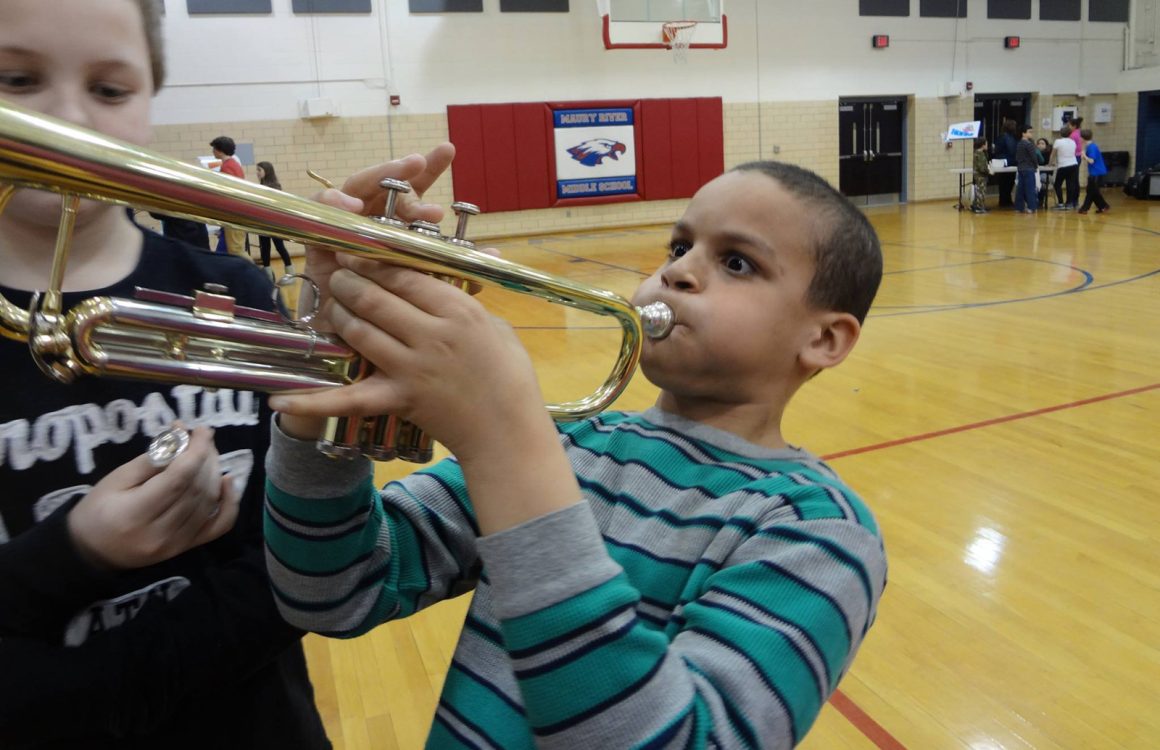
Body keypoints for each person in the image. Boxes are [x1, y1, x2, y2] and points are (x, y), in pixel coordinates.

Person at [263, 159, 888, 748]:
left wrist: (505, 442)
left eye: (737, 263)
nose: (677, 272)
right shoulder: (571, 446)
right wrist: (329, 379)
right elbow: (334, 589)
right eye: (678, 247)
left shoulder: (821, 531)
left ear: (825, 339)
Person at [0, 0, 333, 746]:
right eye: (16, 79)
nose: (65, 119)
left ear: (151, 102)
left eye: (110, 90)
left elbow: (297, 568)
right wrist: (74, 552)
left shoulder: (238, 296)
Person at [209, 135, 250, 260]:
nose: (212, 151)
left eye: (214, 149)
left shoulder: (228, 167)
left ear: (220, 150)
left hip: (234, 213)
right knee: (232, 250)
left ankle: (258, 276)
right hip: (235, 213)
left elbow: (229, 194)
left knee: (236, 251)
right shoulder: (232, 164)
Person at [255, 161, 295, 278]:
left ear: (267, 171)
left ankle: (291, 274)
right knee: (264, 248)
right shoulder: (260, 186)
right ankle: (268, 276)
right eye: (257, 170)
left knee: (279, 247)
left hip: (274, 223)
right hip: (261, 222)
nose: (257, 173)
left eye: (259, 170)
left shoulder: (275, 187)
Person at [1077, 128, 1111, 214]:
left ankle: (1085, 208)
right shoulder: (1090, 146)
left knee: (1091, 191)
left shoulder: (1092, 147)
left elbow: (1091, 160)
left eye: (1080, 137)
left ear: (1083, 138)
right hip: (1094, 172)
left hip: (1097, 172)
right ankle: (1103, 206)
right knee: (1092, 191)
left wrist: (1084, 155)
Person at [1050, 125, 1079, 210]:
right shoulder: (1072, 142)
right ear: (1070, 134)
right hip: (1074, 164)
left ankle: (1060, 203)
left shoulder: (1058, 141)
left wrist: (1050, 163)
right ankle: (1069, 203)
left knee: (1057, 184)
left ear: (1060, 133)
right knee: (1070, 184)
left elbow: (1053, 154)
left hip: (1063, 165)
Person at [991, 118, 1018, 209]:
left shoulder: (1013, 137)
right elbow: (998, 150)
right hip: (1004, 162)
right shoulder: (1003, 137)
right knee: (1004, 183)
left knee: (1009, 182)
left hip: (1011, 162)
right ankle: (1003, 201)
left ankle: (1007, 200)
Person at [1013, 125, 1039, 214]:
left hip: (1021, 168)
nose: (1031, 133)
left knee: (1020, 189)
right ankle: (1032, 207)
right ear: (1023, 133)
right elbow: (1034, 157)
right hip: (1029, 168)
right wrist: (1035, 166)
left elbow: (1017, 157)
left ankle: (1019, 207)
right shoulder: (1029, 144)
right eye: (1029, 132)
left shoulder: (1019, 143)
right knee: (1030, 189)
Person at [972, 136, 990, 214]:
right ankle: (979, 207)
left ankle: (976, 205)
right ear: (982, 145)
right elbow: (982, 167)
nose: (987, 146)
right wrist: (988, 171)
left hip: (977, 176)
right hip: (981, 176)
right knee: (981, 191)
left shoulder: (976, 153)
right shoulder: (980, 154)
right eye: (986, 144)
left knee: (978, 191)